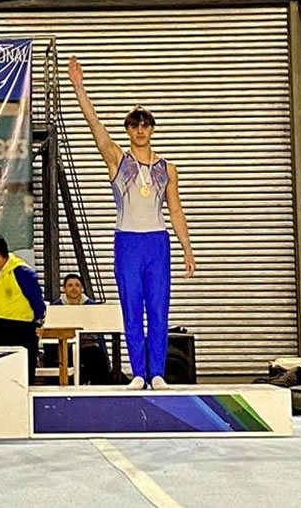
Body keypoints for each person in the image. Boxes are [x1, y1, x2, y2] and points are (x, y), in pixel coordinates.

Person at [68, 56, 195, 390]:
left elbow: (176, 210)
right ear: (128, 129)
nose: (140, 129)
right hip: (128, 243)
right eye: (134, 124)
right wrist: (79, 88)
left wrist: (187, 249)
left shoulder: (167, 168)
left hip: (157, 242)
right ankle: (139, 372)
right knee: (132, 309)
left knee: (158, 309)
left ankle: (157, 373)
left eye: (145, 124)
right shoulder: (117, 160)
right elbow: (95, 126)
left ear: (152, 129)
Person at [50, 273, 111, 385]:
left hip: (86, 346)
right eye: (70, 285)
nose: (74, 288)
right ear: (64, 289)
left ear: (81, 288)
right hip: (64, 346)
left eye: (77, 285)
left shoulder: (91, 306)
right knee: (52, 355)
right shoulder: (56, 306)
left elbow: (98, 329)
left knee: (97, 355)